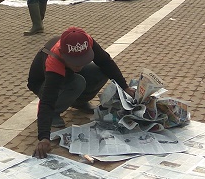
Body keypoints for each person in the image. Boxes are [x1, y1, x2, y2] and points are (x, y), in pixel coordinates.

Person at [27, 27, 134, 158]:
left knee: (100, 72)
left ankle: (79, 101)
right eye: (75, 63)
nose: (79, 66)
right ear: (64, 55)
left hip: (68, 74)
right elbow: (46, 101)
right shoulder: (54, 60)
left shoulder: (86, 41)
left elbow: (106, 62)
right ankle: (56, 111)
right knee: (77, 82)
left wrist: (125, 87)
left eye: (82, 61)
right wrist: (44, 137)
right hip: (42, 83)